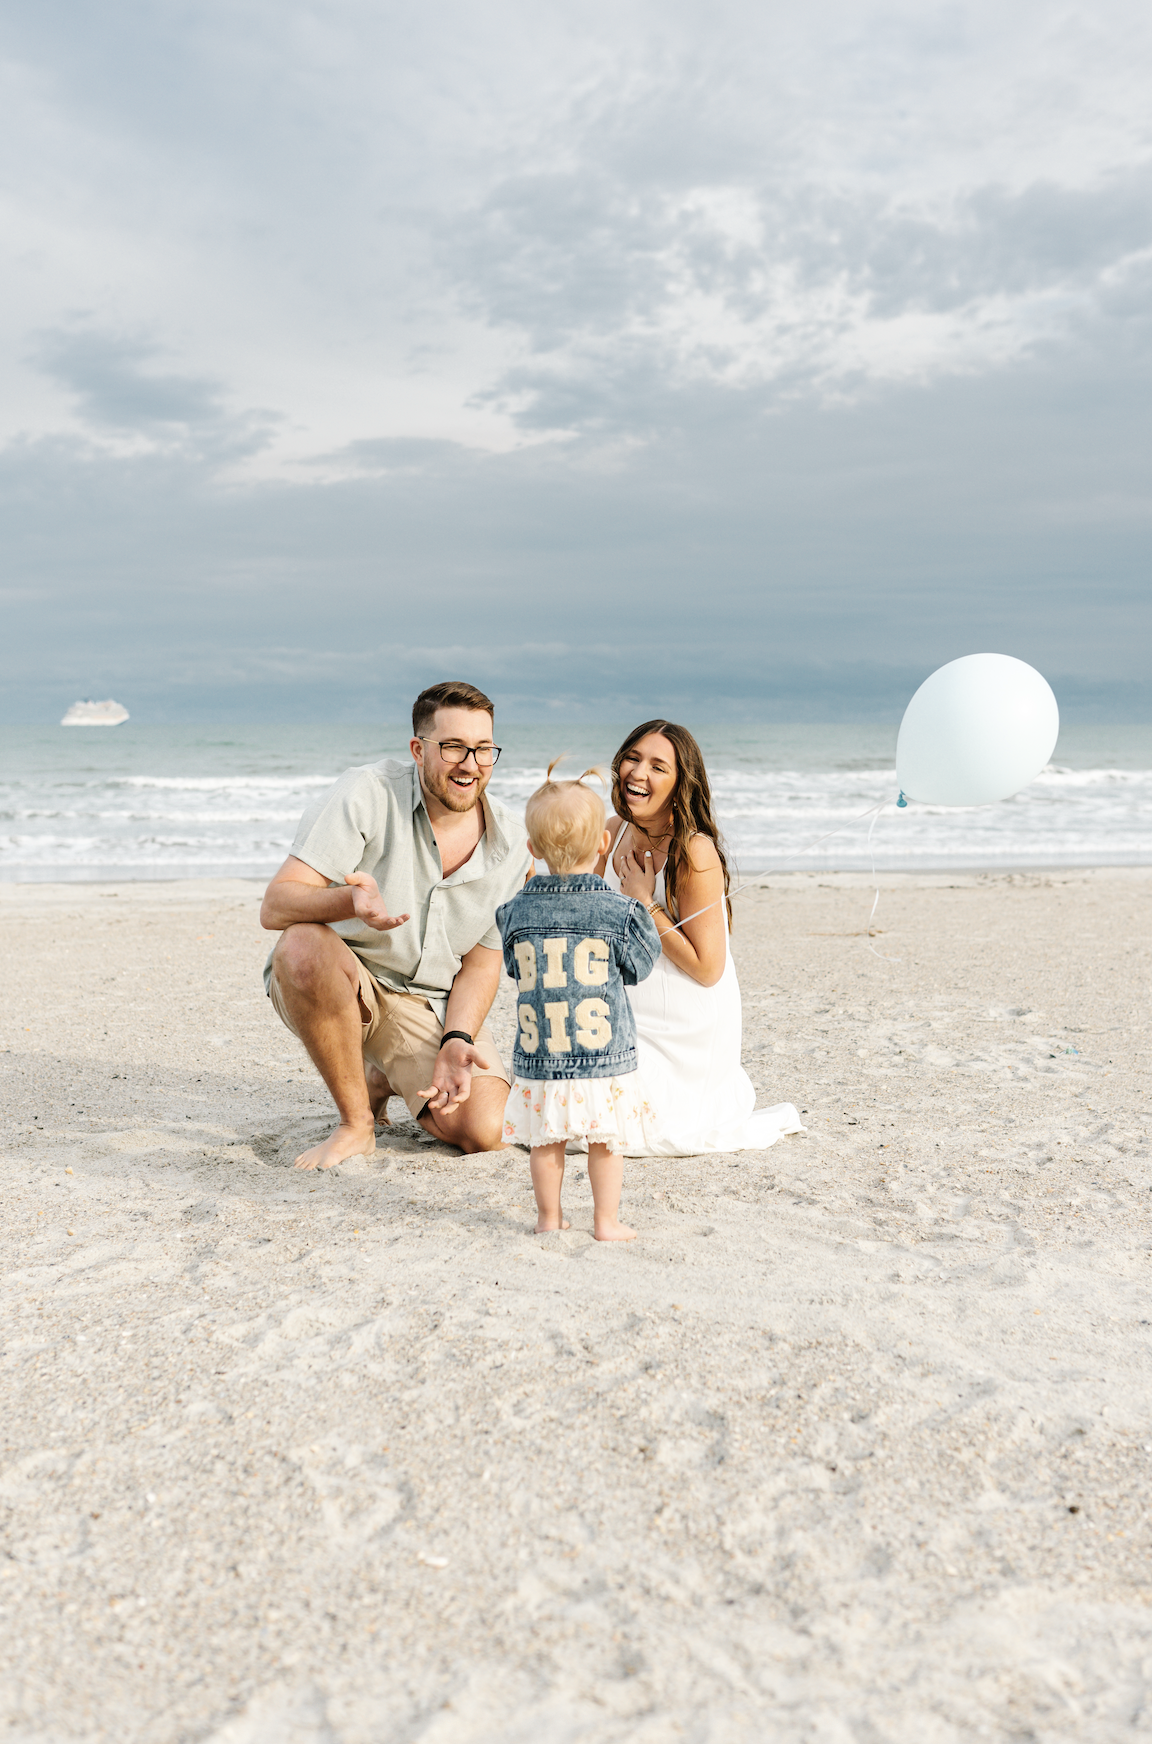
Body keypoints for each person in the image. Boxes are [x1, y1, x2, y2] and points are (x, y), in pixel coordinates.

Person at [260, 680, 531, 1170]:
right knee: (300, 946)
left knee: (485, 1130)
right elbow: (276, 906)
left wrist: (457, 1040)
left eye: (483, 749)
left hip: (429, 1001)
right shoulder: (365, 792)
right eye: (452, 747)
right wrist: (348, 902)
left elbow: (483, 963)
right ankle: (356, 1124)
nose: (470, 765)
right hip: (349, 981)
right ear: (418, 748)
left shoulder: (512, 843)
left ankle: (380, 1074)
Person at [598, 719, 803, 1155]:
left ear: (679, 784)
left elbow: (707, 968)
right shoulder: (612, 828)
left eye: (658, 766)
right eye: (633, 758)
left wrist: (644, 903)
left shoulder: (694, 849)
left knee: (618, 1125)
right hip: (624, 1004)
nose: (638, 773)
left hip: (682, 1018)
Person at [497, 763, 661, 1240]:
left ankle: (549, 1219)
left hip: (541, 1056)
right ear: (603, 845)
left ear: (532, 849)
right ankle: (605, 1222)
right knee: (605, 1142)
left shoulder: (514, 911)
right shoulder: (619, 909)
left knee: (546, 1141)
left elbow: (514, 967)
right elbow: (639, 967)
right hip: (602, 1057)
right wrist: (643, 902)